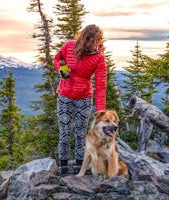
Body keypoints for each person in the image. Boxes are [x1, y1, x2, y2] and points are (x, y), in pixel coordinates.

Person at [53, 24, 107, 177]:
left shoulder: (99, 58)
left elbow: (101, 86)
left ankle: (79, 164)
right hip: (64, 95)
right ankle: (63, 165)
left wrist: (100, 111)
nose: (91, 45)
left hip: (84, 98)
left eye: (95, 41)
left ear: (99, 41)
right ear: (83, 38)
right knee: (64, 132)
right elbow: (57, 59)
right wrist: (60, 70)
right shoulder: (69, 46)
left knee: (80, 132)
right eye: (89, 41)